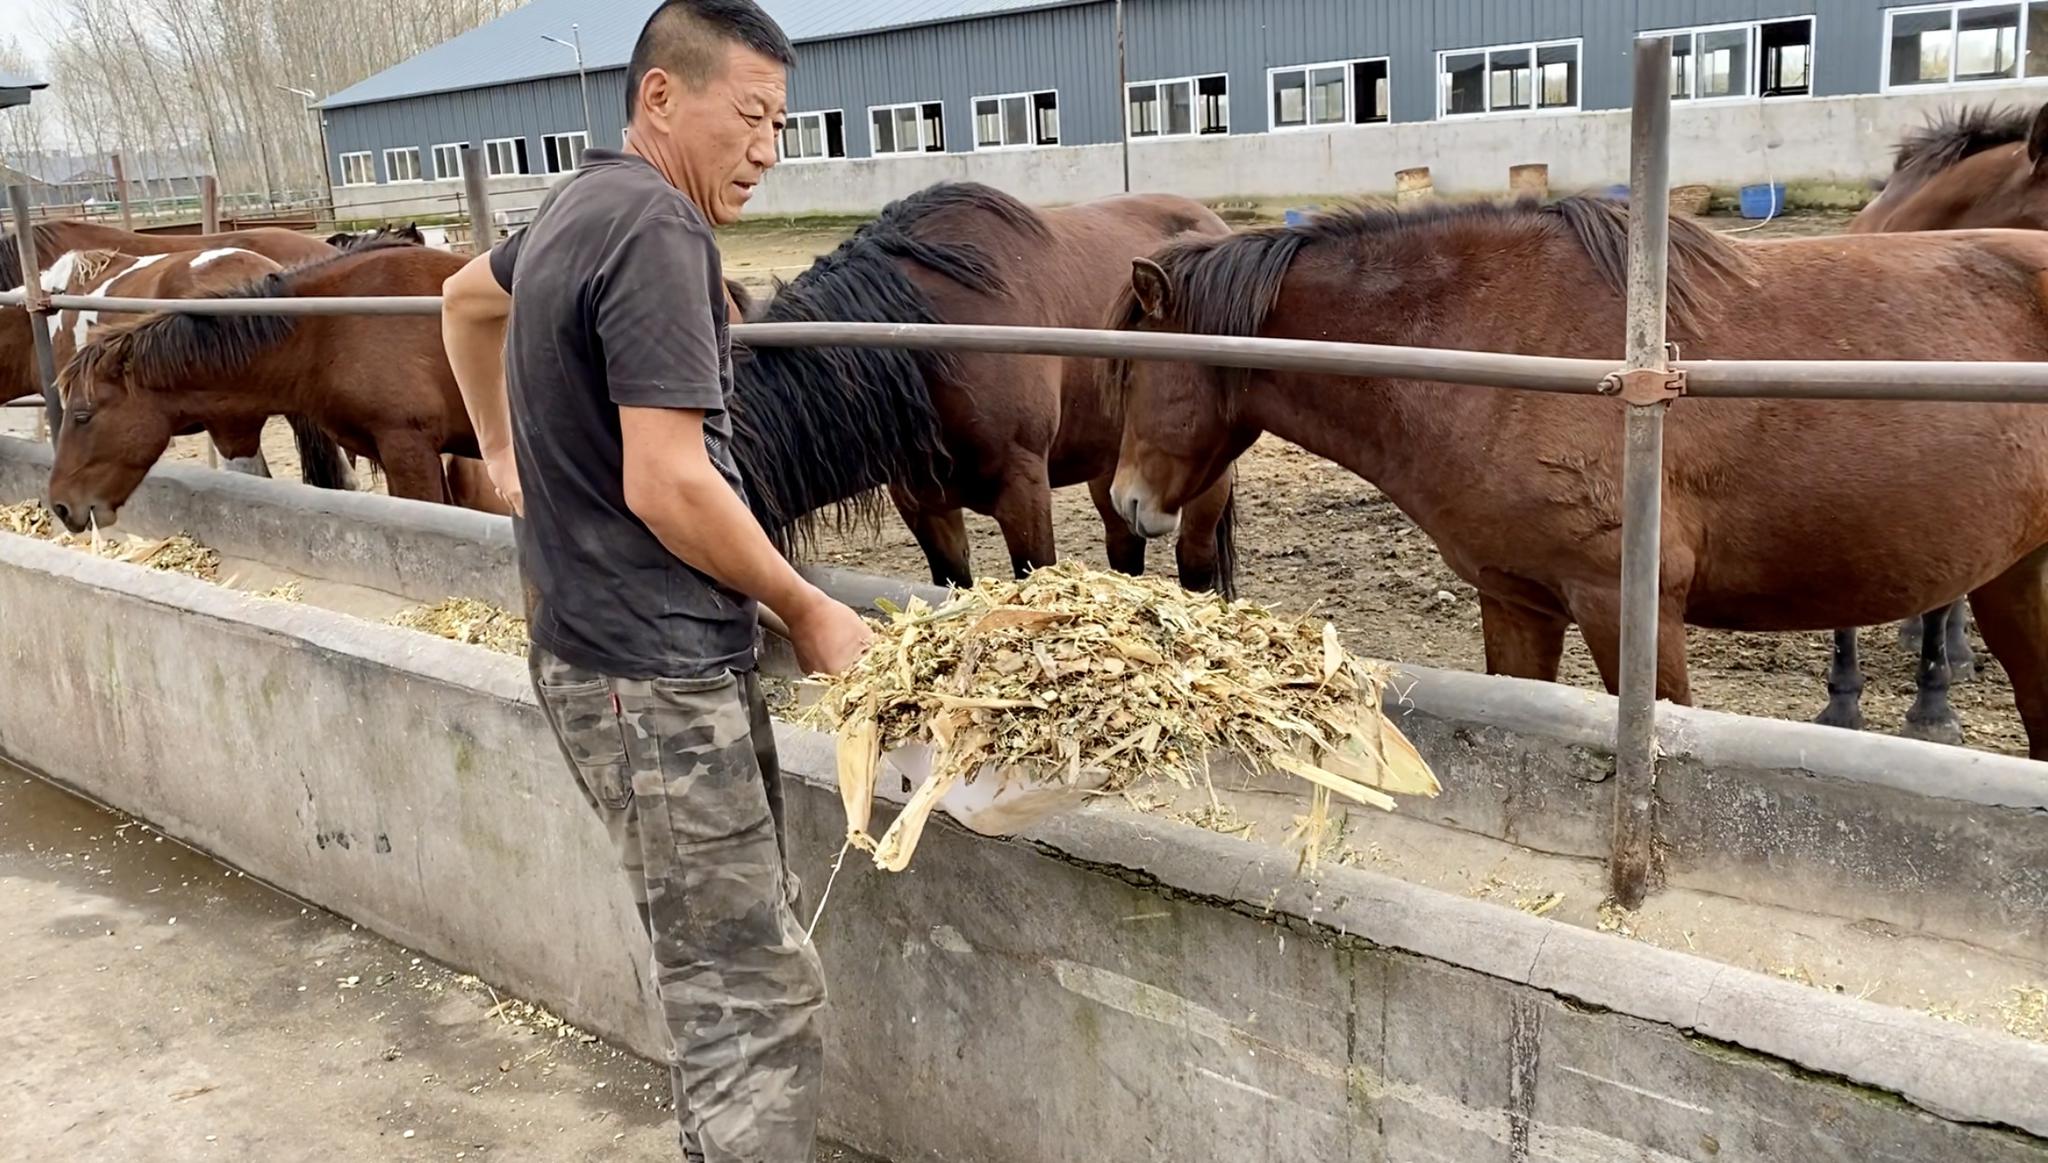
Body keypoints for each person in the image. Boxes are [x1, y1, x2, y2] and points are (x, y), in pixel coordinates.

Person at [439, 1, 873, 1159]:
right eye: (751, 116)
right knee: (752, 998)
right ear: (662, 98)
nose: (768, 151)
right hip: (650, 674)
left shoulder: (582, 199)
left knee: (714, 966)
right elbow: (669, 482)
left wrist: (500, 450)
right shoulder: (662, 234)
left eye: (781, 124)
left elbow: (463, 301)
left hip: (594, 648)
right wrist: (807, 603)